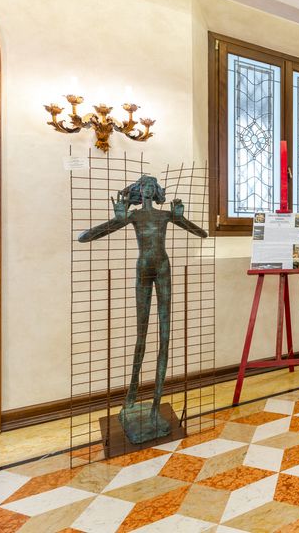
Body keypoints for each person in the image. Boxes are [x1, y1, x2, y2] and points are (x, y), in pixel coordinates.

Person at [78, 175, 208, 444]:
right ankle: (131, 397)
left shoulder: (164, 216)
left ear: (156, 191)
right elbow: (87, 237)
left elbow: (201, 233)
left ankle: (155, 404)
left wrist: (181, 217)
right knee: (141, 333)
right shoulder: (134, 216)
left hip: (162, 267)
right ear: (138, 191)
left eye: (151, 186)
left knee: (165, 334)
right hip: (144, 268)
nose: (148, 190)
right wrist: (117, 218)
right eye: (144, 187)